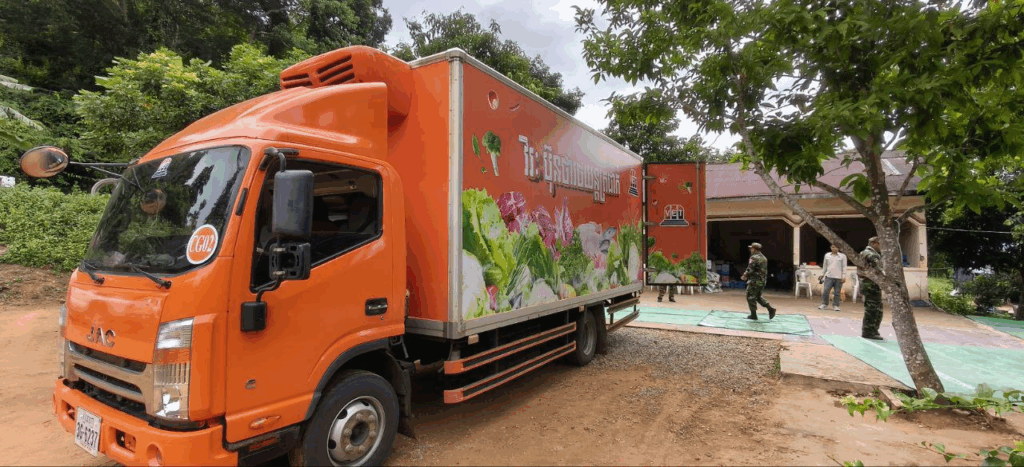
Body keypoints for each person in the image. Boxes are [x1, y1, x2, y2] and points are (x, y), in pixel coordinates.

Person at [741, 242, 777, 320]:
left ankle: (753, 315)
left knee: (750, 296)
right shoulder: (764, 258)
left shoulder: (754, 257)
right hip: (762, 281)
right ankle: (770, 309)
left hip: (754, 281)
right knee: (757, 296)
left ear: (754, 249)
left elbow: (750, 269)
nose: (750, 250)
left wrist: (744, 275)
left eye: (751, 248)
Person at [858, 237, 884, 340]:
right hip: (870, 285)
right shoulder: (868, 253)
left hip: (873, 284)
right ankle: (868, 331)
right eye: (880, 244)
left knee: (878, 309)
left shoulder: (874, 254)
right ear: (873, 243)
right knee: (872, 309)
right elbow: (878, 268)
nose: (881, 246)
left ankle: (873, 330)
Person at [818, 244, 848, 311]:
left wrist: (844, 276)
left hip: (839, 277)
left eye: (836, 247)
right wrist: (822, 274)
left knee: (837, 292)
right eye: (833, 247)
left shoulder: (843, 256)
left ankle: (836, 305)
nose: (834, 248)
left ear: (838, 248)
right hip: (829, 276)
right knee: (826, 291)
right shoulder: (827, 255)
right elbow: (825, 266)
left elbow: (844, 267)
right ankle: (824, 304)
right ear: (831, 247)